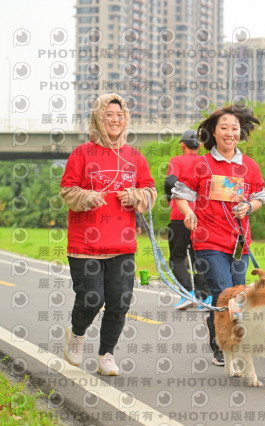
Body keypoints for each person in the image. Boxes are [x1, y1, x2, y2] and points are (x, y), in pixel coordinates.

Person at [60, 93, 157, 375]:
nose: (115, 120)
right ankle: (77, 334)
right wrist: (87, 197)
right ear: (97, 119)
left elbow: (150, 192)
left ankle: (106, 355)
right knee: (92, 297)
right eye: (108, 115)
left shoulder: (135, 157)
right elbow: (67, 190)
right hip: (85, 245)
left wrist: (136, 196)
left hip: (122, 245)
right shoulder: (82, 153)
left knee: (120, 302)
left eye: (119, 115)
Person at [172, 104, 265, 366]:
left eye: (234, 128)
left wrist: (248, 206)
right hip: (209, 241)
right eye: (224, 128)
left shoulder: (249, 166)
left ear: (241, 132)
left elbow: (259, 196)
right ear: (213, 133)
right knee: (224, 291)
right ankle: (221, 345)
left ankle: (227, 336)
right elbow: (181, 194)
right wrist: (188, 213)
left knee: (238, 294)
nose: (230, 133)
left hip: (239, 243)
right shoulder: (201, 164)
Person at [164, 130, 211, 310]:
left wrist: (169, 197)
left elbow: (170, 181)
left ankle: (187, 294)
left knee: (177, 257)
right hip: (202, 217)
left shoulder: (177, 161)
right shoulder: (206, 161)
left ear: (182, 145)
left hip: (181, 215)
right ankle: (206, 297)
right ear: (199, 146)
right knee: (199, 257)